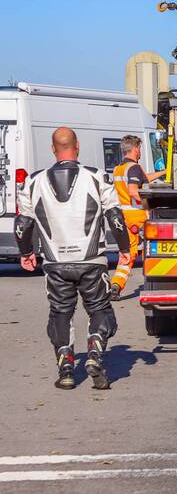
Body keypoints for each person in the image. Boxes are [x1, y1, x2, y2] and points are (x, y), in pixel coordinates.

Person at [15, 127, 131, 390]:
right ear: (77, 147)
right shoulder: (97, 177)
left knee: (60, 312)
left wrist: (26, 253)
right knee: (100, 310)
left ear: (53, 149)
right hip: (91, 260)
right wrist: (124, 248)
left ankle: (66, 367)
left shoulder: (33, 181)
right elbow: (115, 216)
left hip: (55, 262)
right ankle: (95, 353)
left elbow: (23, 223)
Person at [110, 135, 163, 299]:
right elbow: (133, 190)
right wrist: (150, 202)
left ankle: (116, 284)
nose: (140, 151)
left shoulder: (119, 168)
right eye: (139, 148)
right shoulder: (134, 168)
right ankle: (159, 277)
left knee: (128, 252)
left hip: (123, 214)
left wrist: (165, 172)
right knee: (157, 244)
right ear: (135, 149)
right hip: (138, 214)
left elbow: (144, 177)